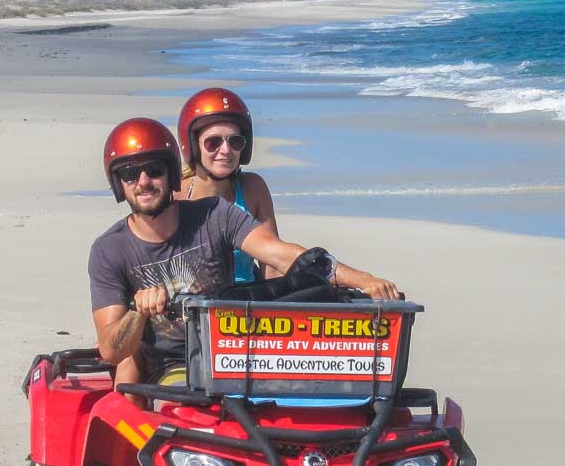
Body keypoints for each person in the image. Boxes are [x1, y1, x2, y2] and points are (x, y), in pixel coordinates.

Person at [89, 117, 398, 386]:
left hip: (240, 353)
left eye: (154, 170)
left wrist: (364, 280)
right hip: (178, 369)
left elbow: (281, 254)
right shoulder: (109, 250)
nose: (143, 182)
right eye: (130, 174)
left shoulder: (214, 214)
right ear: (119, 184)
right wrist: (138, 312)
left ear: (170, 173)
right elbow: (111, 349)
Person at [176, 87, 277, 282]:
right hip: (194, 306)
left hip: (247, 303)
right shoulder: (176, 195)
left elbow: (272, 266)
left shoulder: (252, 189)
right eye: (213, 142)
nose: (226, 150)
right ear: (193, 145)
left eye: (235, 142)